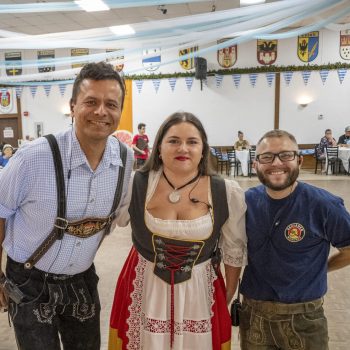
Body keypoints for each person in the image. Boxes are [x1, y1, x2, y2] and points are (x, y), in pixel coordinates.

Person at [0, 62, 134, 350]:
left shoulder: (125, 159)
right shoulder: (31, 158)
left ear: (120, 111)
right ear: (73, 106)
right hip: (29, 281)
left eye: (111, 104)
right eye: (91, 102)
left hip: (82, 279)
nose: (101, 111)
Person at [108, 112, 247, 350]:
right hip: (144, 285)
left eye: (192, 141)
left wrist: (228, 296)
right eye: (173, 141)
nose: (183, 148)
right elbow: (109, 221)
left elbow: (234, 250)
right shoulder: (136, 183)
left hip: (200, 290)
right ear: (159, 147)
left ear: (203, 149)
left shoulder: (225, 191)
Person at [239, 129, 350, 350]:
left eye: (286, 155)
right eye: (267, 156)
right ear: (255, 164)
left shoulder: (324, 205)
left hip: (304, 319)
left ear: (299, 160)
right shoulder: (245, 203)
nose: (276, 163)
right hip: (253, 315)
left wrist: (321, 269)